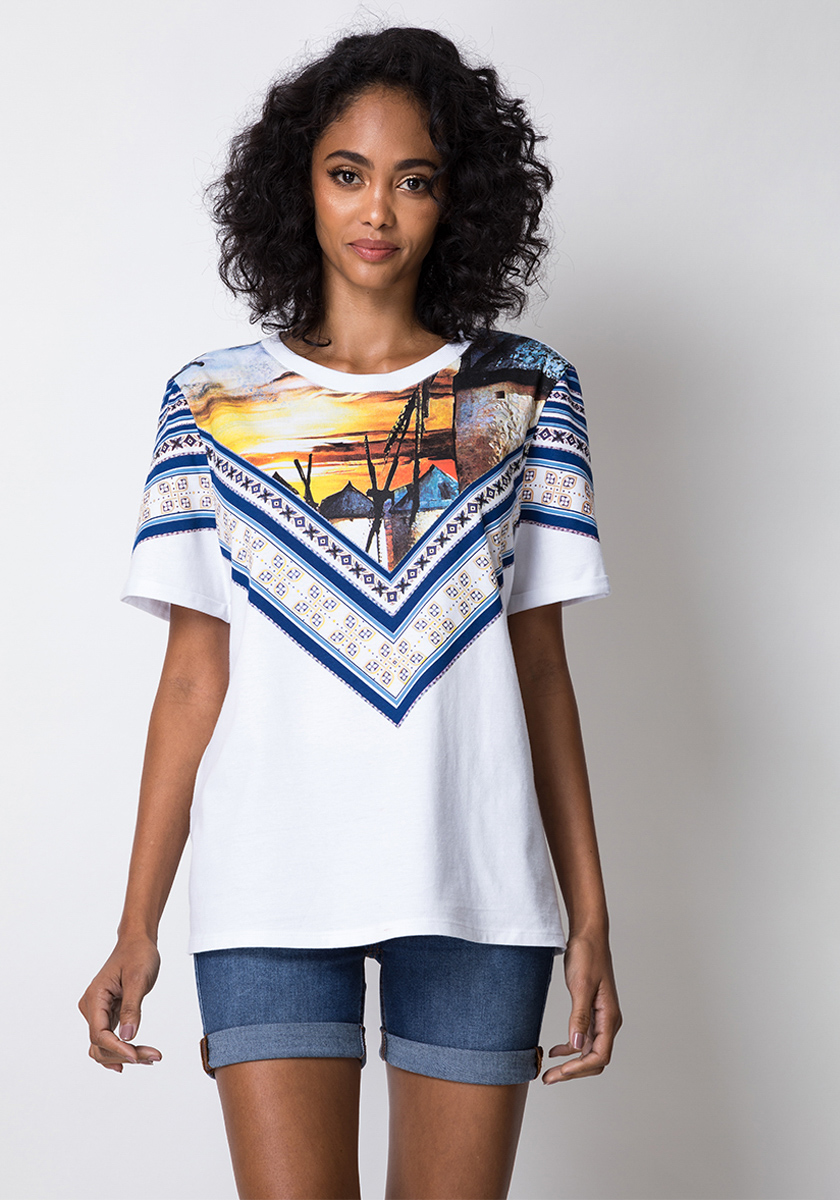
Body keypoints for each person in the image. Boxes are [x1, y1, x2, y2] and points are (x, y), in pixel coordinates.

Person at [78, 25, 622, 1200]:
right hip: (267, 886)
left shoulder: (520, 391)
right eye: (347, 173)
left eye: (414, 179)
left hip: (478, 886)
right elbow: (192, 678)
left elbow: (539, 671)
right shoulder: (213, 400)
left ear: (457, 200)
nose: (377, 210)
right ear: (300, 186)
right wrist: (136, 923)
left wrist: (589, 915)